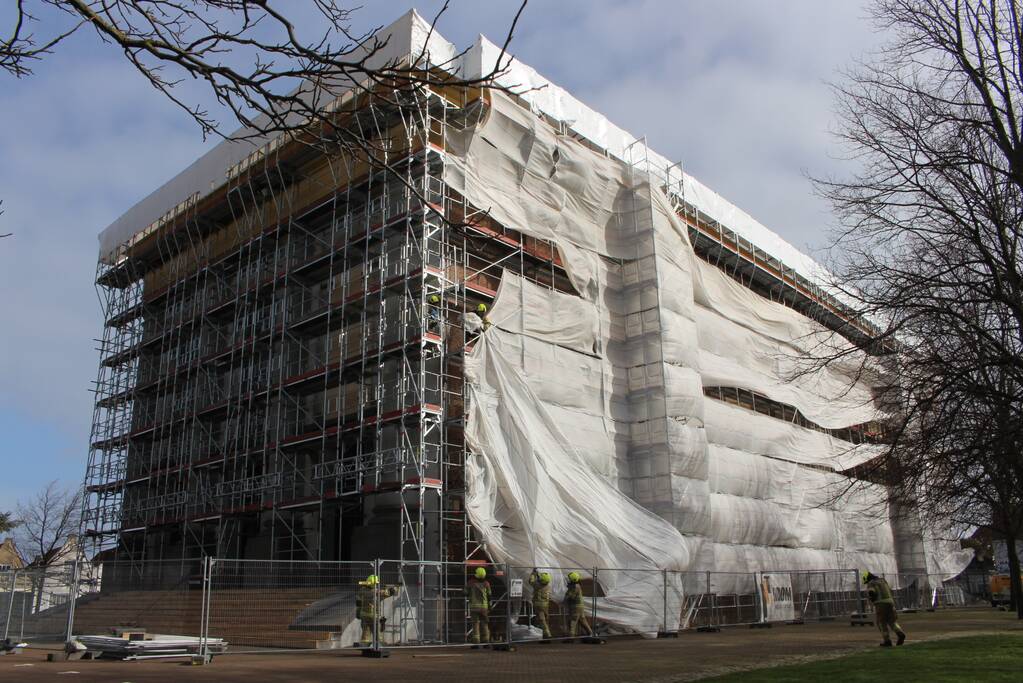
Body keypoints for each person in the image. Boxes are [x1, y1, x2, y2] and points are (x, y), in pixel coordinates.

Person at [863, 571, 906, 647]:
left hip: (881, 604)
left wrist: (872, 599)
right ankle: (900, 633)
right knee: (892, 621)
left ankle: (887, 641)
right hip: (890, 602)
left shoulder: (871, 583)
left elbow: (871, 592)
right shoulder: (883, 581)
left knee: (881, 623)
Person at [355, 574, 400, 646]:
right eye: (376, 584)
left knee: (366, 632)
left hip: (363, 615)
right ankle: (379, 645)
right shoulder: (375, 592)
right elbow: (387, 593)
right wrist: (395, 589)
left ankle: (365, 645)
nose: (376, 585)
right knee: (377, 631)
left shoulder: (361, 590)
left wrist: (358, 612)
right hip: (373, 615)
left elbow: (358, 603)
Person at [564, 571, 593, 640]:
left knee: (572, 621)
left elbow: (571, 596)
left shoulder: (574, 587)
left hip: (576, 606)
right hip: (579, 606)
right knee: (582, 621)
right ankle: (591, 633)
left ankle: (570, 637)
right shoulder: (577, 586)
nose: (568, 580)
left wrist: (566, 595)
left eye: (569, 579)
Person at [468, 567, 492, 645]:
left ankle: (476, 642)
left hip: (474, 608)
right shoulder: (486, 583)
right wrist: (490, 605)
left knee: (475, 624)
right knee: (484, 624)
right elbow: (489, 596)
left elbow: (464, 592)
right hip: (484, 608)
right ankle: (486, 641)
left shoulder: (471, 583)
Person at [529, 569, 553, 641]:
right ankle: (545, 636)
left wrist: (533, 573)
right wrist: (539, 576)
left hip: (538, 605)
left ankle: (547, 635)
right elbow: (541, 580)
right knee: (545, 620)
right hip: (546, 605)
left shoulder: (537, 585)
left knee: (542, 620)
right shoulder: (548, 586)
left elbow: (531, 581)